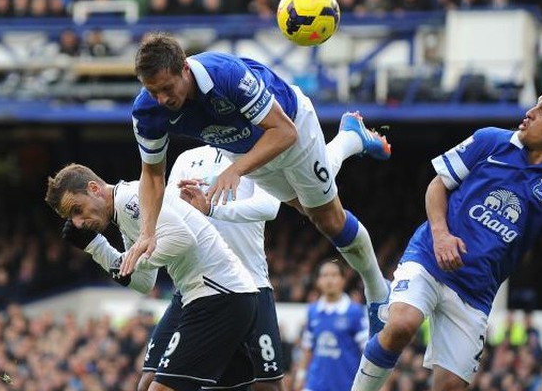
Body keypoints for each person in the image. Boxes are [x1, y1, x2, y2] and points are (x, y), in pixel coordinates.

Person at [121, 32, 392, 335]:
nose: (162, 99)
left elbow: (284, 132)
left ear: (185, 68)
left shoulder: (226, 75)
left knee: (326, 219)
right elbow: (153, 175)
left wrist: (235, 170)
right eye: (153, 91)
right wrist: (147, 231)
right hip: (244, 149)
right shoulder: (147, 111)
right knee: (306, 206)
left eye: (167, 88)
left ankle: (378, 290)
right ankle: (351, 136)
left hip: (291, 127)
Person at [351, 88, 542, 391]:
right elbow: (437, 186)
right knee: (401, 325)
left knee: (450, 385)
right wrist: (441, 235)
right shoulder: (491, 140)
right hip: (430, 257)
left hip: (477, 290)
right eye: (535, 105)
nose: (530, 112)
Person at [139, 125, 381, 391]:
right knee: (150, 381)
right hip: (194, 289)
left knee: (266, 386)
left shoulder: (257, 154)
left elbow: (268, 207)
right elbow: (168, 210)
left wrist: (210, 208)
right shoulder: (187, 159)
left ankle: (349, 138)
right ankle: (349, 138)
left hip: (249, 286)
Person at [45, 164, 260, 391]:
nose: (78, 223)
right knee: (152, 383)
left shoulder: (129, 200)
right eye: (71, 216)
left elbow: (183, 239)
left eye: (77, 209)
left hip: (218, 295)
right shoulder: (123, 208)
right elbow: (144, 282)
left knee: (159, 387)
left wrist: (137, 257)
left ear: (94, 188)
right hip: (226, 295)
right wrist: (97, 247)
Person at [294, 260, 368, 391]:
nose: (329, 280)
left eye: (334, 275)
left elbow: (366, 351)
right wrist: (300, 376)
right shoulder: (313, 311)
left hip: (346, 385)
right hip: (314, 384)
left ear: (343, 280)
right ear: (318, 281)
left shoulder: (354, 312)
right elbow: (307, 347)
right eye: (325, 275)